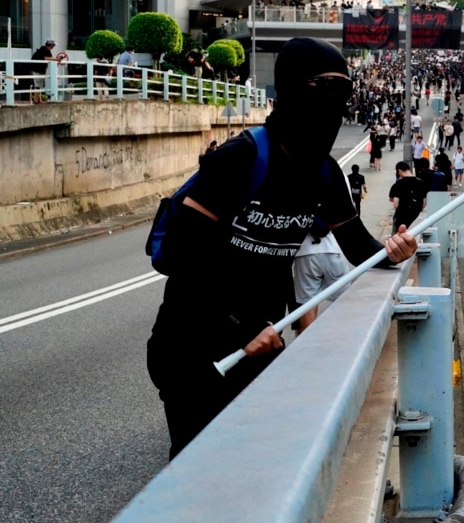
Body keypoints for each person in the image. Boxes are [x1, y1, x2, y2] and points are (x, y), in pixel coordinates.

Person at [146, 37, 418, 459]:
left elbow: (357, 244)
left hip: (262, 343)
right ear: (292, 89)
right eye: (327, 87)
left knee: (256, 465)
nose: (337, 103)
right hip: (191, 342)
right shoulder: (239, 159)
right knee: (198, 468)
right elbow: (185, 255)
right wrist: (243, 323)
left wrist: (393, 249)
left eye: (345, 91)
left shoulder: (325, 174)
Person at [291, 221, 349, 332]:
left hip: (305, 253)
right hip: (333, 250)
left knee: (307, 304)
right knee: (342, 302)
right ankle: (344, 341)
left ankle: (308, 345)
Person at [389, 160, 427, 231]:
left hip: (401, 218)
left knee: (398, 239)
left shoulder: (399, 183)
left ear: (399, 171)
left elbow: (396, 204)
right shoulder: (421, 183)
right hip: (416, 218)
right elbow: (424, 203)